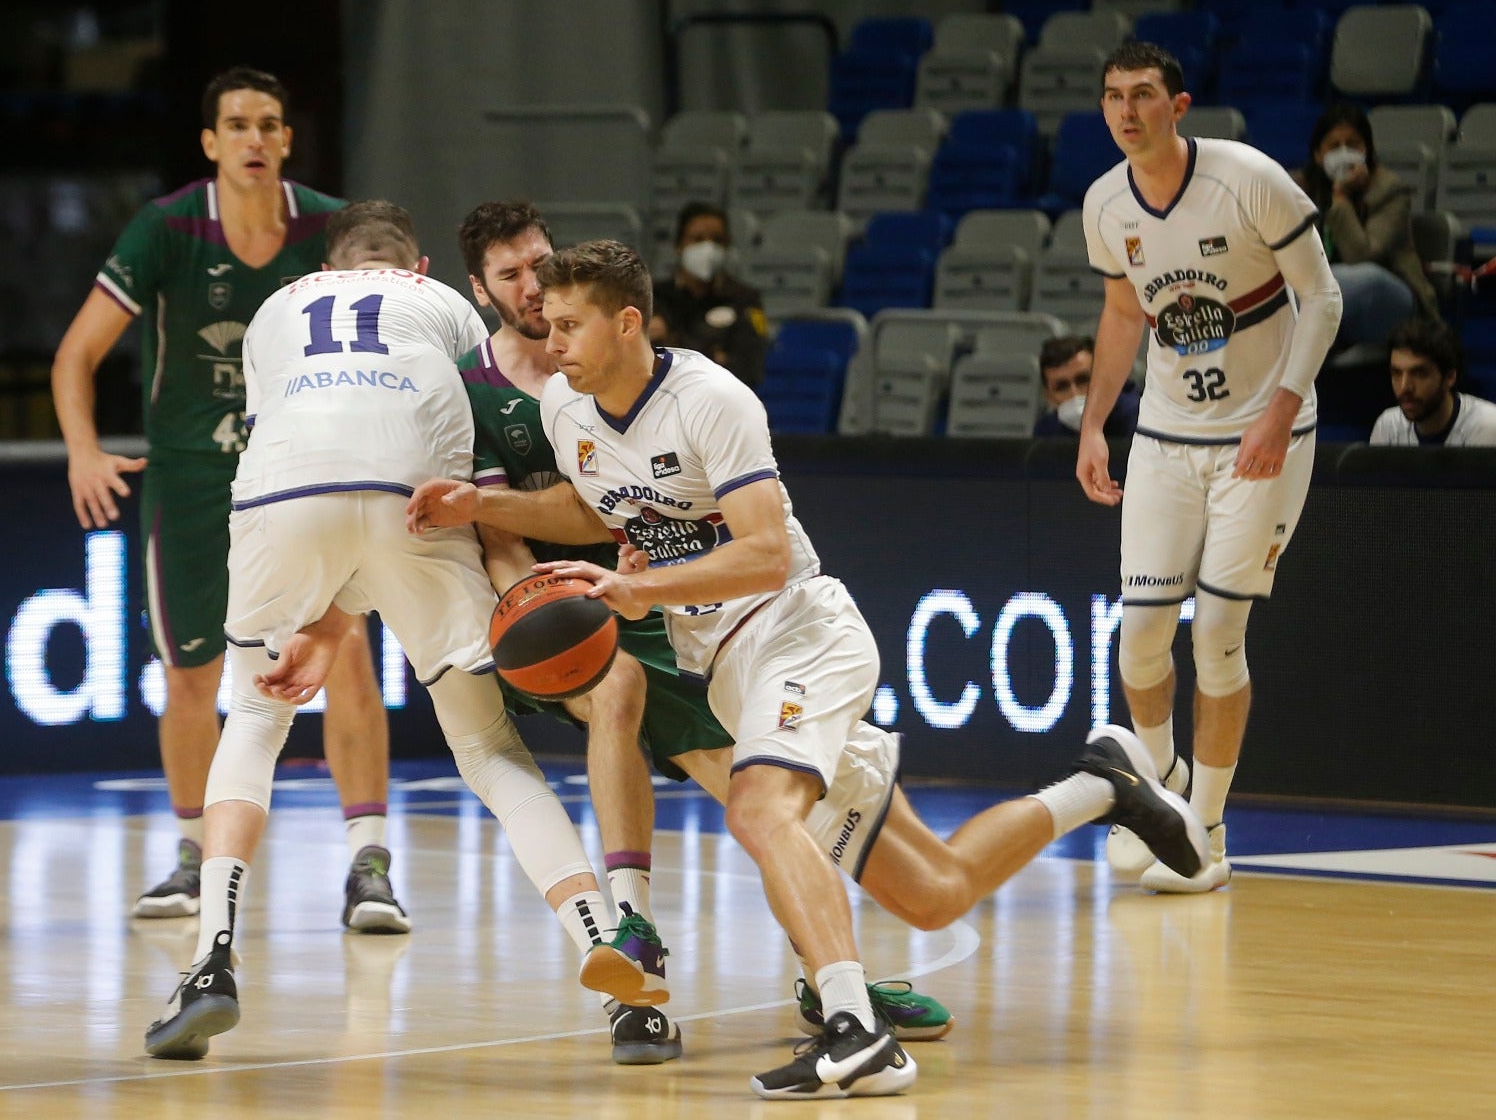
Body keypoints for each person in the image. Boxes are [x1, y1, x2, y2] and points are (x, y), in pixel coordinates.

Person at [406, 237, 1210, 1100]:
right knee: (933, 891)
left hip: (797, 630)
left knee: (758, 809)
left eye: (570, 324)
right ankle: (1104, 784)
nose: (552, 340)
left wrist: (642, 590)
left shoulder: (713, 400)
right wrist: (482, 503)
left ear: (628, 322)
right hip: (726, 669)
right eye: (549, 324)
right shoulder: (568, 408)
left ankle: (854, 1028)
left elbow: (762, 553)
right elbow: (586, 504)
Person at [452, 199, 953, 1050]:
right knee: (641, 710)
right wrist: (487, 519)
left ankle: (833, 984)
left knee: (777, 809)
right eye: (514, 275)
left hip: (697, 602)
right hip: (592, 607)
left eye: (543, 268)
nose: (534, 290)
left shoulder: (694, 394)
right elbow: (566, 513)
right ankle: (640, 943)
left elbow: (687, 531)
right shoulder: (504, 389)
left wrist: (633, 583)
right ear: (481, 288)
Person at [142, 200, 629, 1063]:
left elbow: (316, 459)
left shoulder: (272, 313)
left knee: (255, 721)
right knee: (488, 752)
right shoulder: (443, 308)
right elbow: (404, 447)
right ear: (418, 270)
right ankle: (601, 940)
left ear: (324, 270)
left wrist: (323, 617)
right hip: (420, 506)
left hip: (285, 496)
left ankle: (211, 957)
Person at [50, 67, 402, 929]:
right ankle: (188, 853)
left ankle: (369, 864)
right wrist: (84, 452)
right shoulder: (168, 228)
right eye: (237, 124)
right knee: (191, 672)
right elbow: (75, 355)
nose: (253, 138)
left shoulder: (329, 225)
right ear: (210, 143)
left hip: (306, 470)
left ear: (287, 140)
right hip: (194, 476)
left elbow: (398, 317)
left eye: (269, 125)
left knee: (345, 655)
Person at [1076, 42, 1342, 893]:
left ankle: (1209, 834)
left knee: (1220, 640)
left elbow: (1323, 298)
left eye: (1143, 95)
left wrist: (1282, 407)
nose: (1127, 111)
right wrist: (1093, 424)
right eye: (1114, 96)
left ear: (1178, 105)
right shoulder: (1105, 203)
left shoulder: (1249, 178)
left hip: (1262, 440)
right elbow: (1123, 312)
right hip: (1164, 435)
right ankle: (1162, 794)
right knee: (1141, 639)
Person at [1293, 101, 1440, 350]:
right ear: (1318, 155)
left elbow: (1361, 255)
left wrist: (1341, 198)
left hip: (1389, 295)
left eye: (1353, 144)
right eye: (1334, 146)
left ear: (1367, 150)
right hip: (1329, 300)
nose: (1344, 152)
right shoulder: (1301, 191)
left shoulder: (1390, 191)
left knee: (1355, 279)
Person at [648, 201, 769, 388]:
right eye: (697, 239)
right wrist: (715, 355)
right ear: (679, 246)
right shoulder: (654, 297)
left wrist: (672, 341)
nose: (708, 248)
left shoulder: (746, 299)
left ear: (727, 247)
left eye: (717, 240)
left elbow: (749, 369)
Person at [1370, 318, 1496, 445]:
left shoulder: (1488, 427)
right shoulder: (1387, 427)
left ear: (1449, 377)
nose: (1404, 387)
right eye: (1397, 373)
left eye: (1419, 374)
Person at [1033, 334, 1140, 438]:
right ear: (1049, 397)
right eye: (1062, 387)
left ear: (1103, 378)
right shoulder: (1046, 431)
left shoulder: (1137, 418)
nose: (1075, 393)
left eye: (1083, 380)